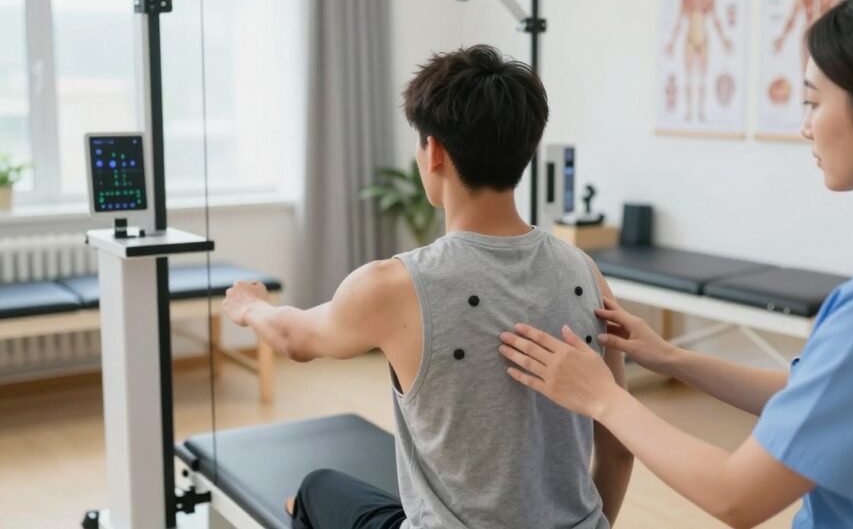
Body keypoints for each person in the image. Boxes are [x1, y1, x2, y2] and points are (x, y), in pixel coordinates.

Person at [500, 0, 853, 528]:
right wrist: (670, 358)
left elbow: (737, 496)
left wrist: (604, 399)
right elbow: (821, 393)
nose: (804, 127)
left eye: (814, 102)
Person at [223, 45, 633, 529]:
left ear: (433, 151)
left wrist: (249, 308)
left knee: (315, 491)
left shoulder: (392, 286)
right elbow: (620, 446)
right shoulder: (585, 272)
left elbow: (294, 338)